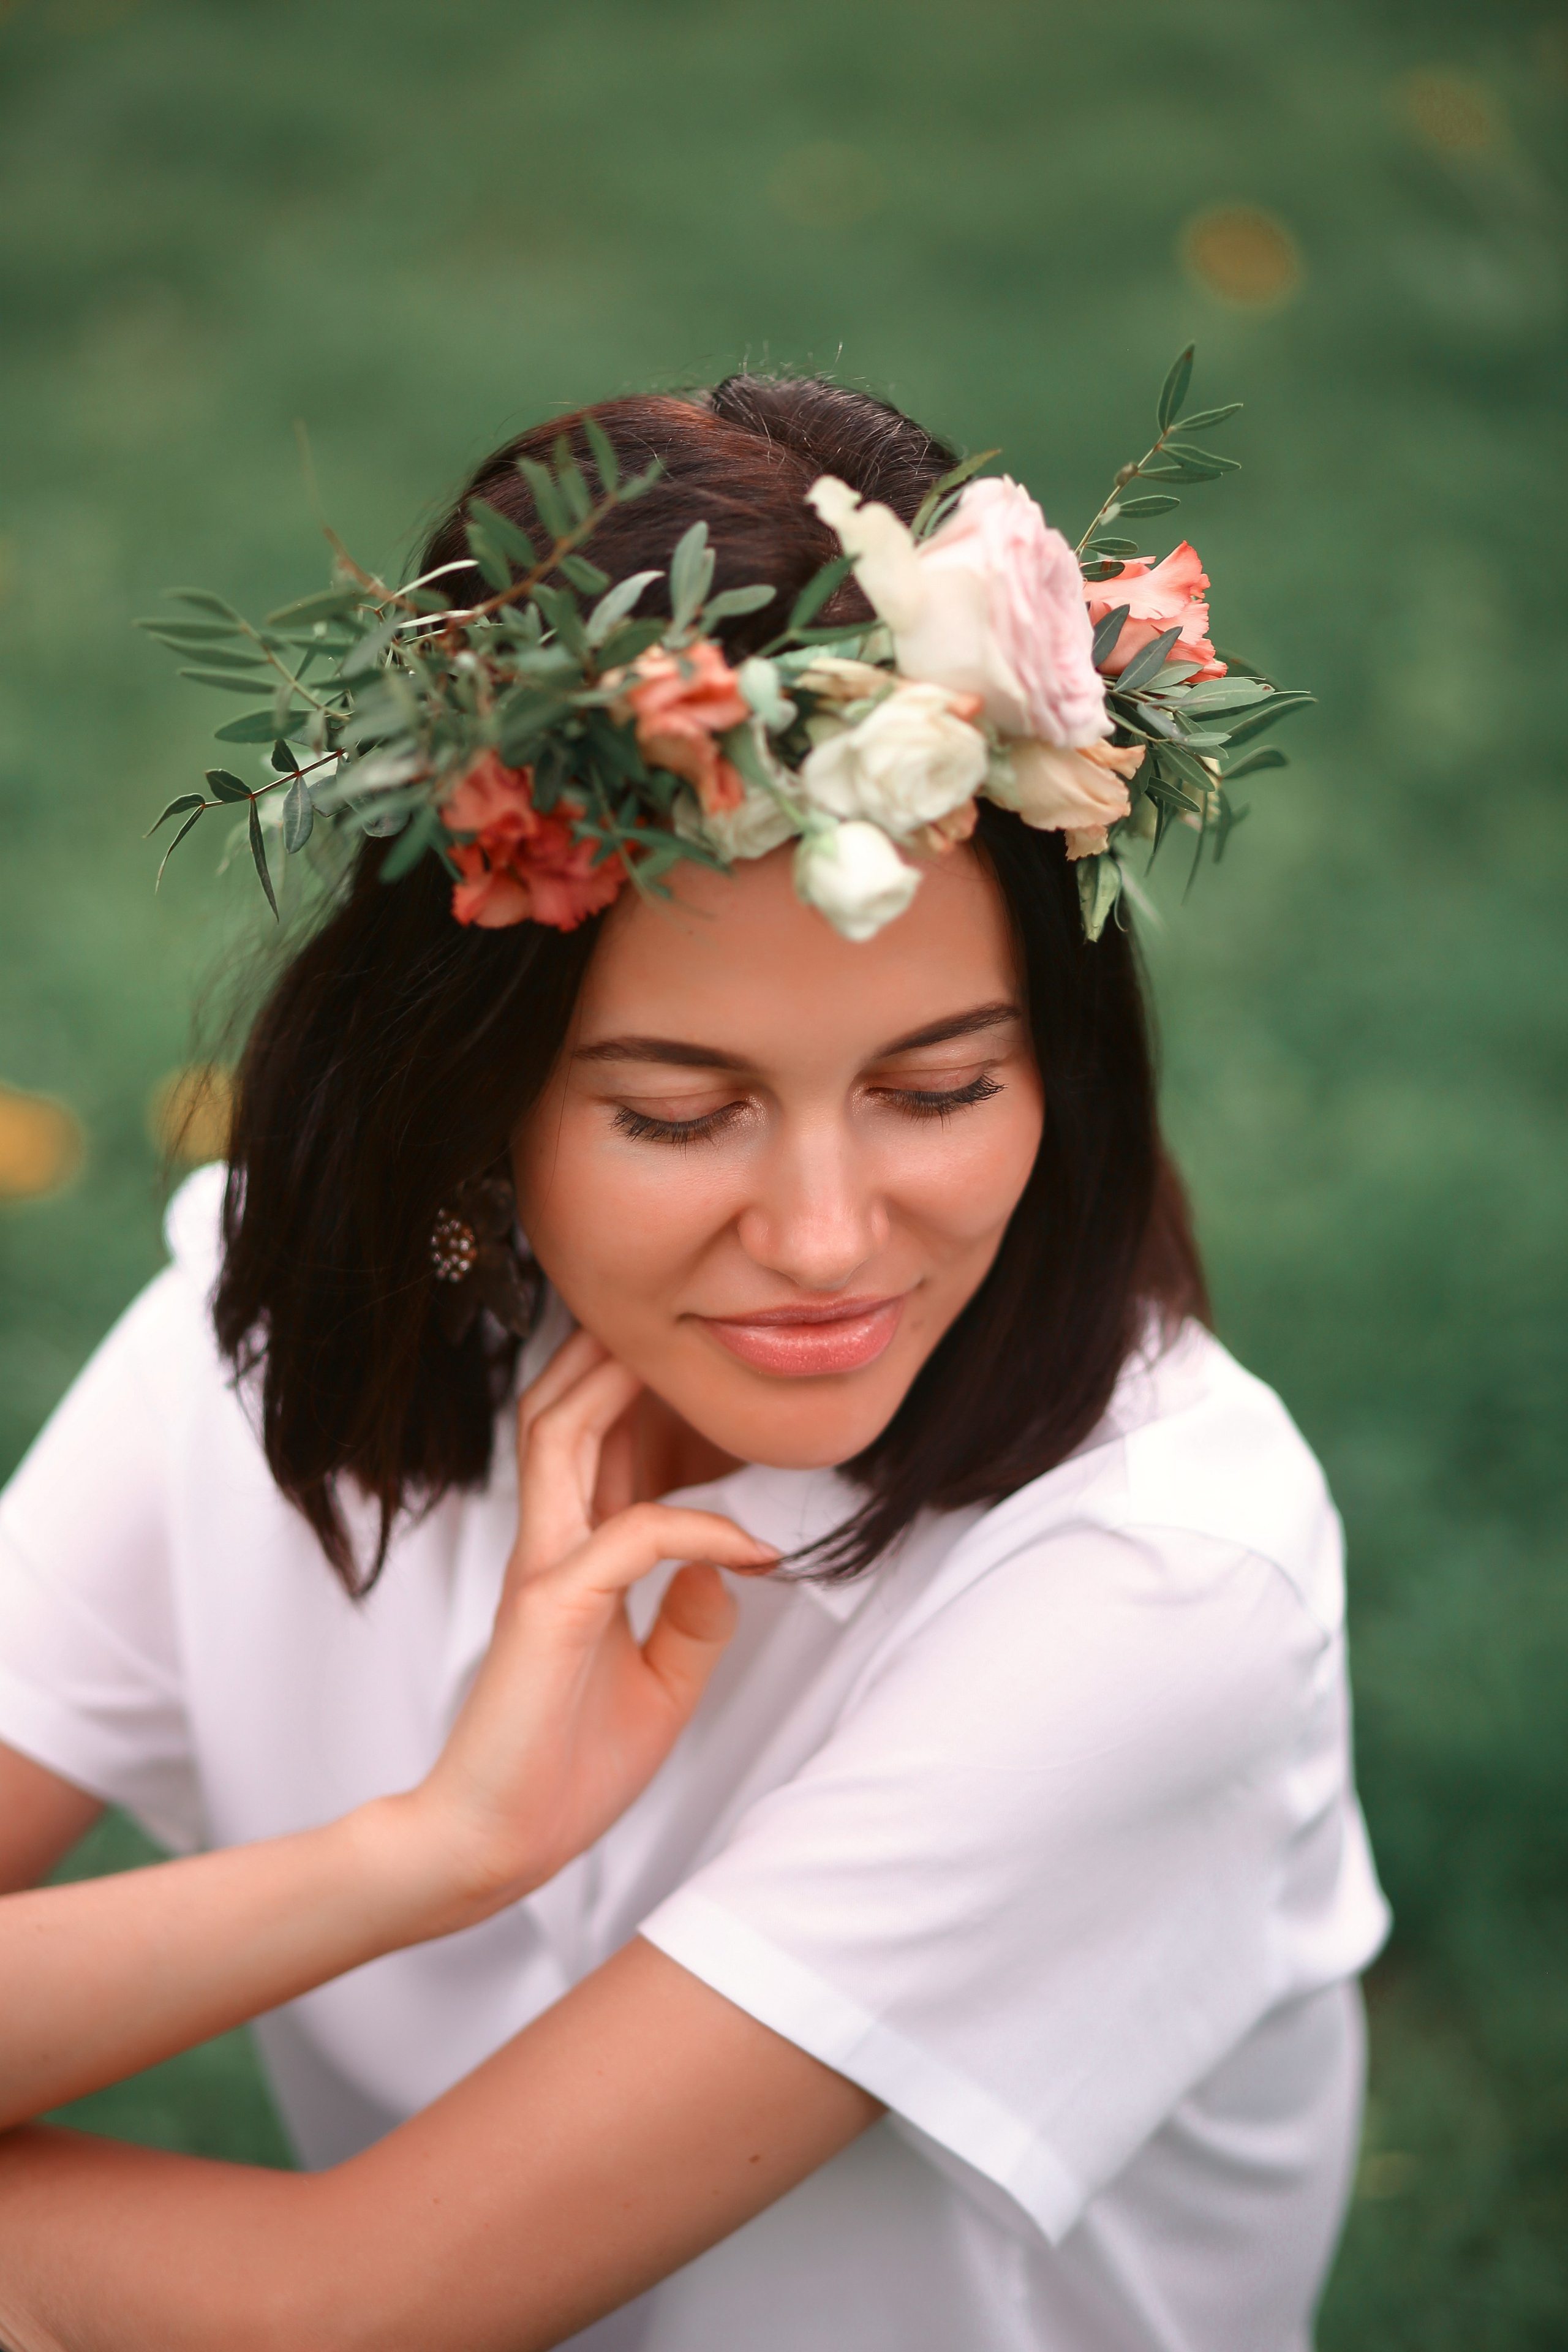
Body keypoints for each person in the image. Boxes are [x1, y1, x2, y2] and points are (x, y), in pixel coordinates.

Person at [0, 376, 1387, 2351]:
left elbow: (346, 2306)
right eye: (678, 1114)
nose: (827, 1239)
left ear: (1056, 1076)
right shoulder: (269, 1338)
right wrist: (427, 1854)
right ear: (471, 1101)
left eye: (939, 1088)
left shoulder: (1156, 1584)